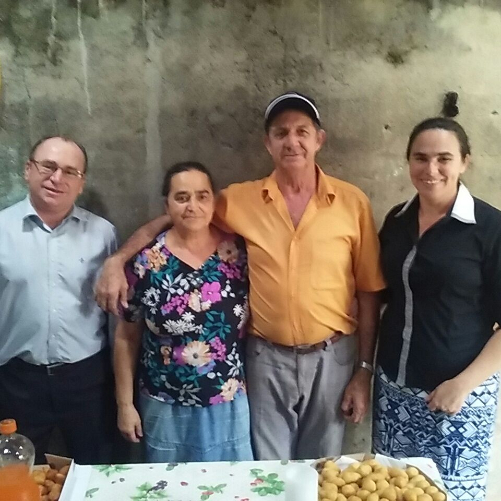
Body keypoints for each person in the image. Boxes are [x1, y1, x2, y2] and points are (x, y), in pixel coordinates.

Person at [97, 92, 385, 460]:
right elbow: (182, 216)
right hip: (266, 359)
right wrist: (118, 259)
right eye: (281, 133)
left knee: (322, 467)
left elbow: (369, 292)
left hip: (332, 357)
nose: (292, 142)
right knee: (265, 471)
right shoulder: (238, 201)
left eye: (302, 131)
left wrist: (363, 370)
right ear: (268, 143)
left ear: (319, 139)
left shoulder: (352, 202)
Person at [372, 117, 501, 501]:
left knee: (450, 495)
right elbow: (382, 295)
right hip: (395, 392)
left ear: (464, 162)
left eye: (444, 158)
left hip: (457, 398)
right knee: (391, 492)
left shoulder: (490, 228)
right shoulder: (397, 220)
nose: (431, 169)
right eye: (420, 158)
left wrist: (462, 384)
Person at [114, 161, 253, 462]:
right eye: (181, 197)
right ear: (167, 205)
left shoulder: (239, 255)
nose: (193, 206)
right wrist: (125, 405)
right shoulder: (146, 263)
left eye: (202, 196)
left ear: (214, 202)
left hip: (227, 401)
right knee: (170, 484)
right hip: (164, 405)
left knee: (232, 483)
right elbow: (126, 337)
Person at [0, 136, 117, 464]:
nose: (56, 178)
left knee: (97, 468)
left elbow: (114, 313)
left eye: (70, 171)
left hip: (87, 379)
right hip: (17, 380)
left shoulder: (103, 234)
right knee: (18, 473)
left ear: (81, 183)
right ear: (28, 169)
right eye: (48, 166)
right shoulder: (1, 230)